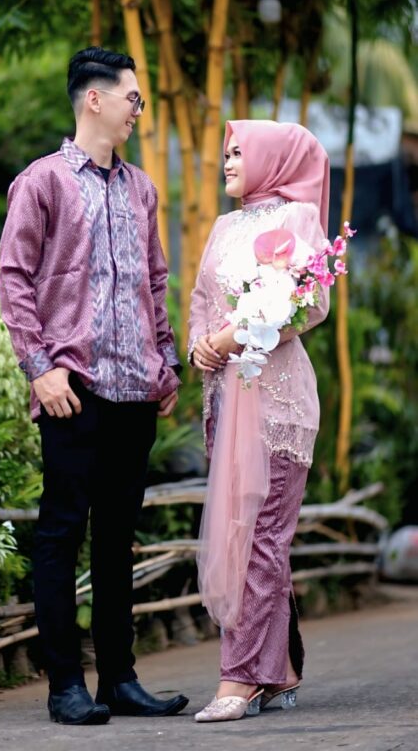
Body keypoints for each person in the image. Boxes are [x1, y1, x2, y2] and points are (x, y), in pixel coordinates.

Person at [0, 47, 189, 726]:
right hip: (72, 389)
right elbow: (13, 278)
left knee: (116, 539)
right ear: (95, 99)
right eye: (134, 98)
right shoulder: (41, 183)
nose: (140, 110)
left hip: (136, 390)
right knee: (60, 534)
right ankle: (64, 687)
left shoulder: (142, 190)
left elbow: (155, 280)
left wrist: (165, 361)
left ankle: (119, 680)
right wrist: (39, 367)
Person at [188, 119, 330, 723]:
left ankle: (239, 678)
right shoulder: (225, 226)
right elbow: (201, 299)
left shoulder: (299, 218)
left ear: (272, 158)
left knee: (261, 538)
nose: (228, 162)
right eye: (227, 153)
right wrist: (201, 344)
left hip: (278, 402)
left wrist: (237, 333)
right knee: (239, 533)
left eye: (239, 152)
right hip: (226, 398)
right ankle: (281, 672)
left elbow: (310, 303)